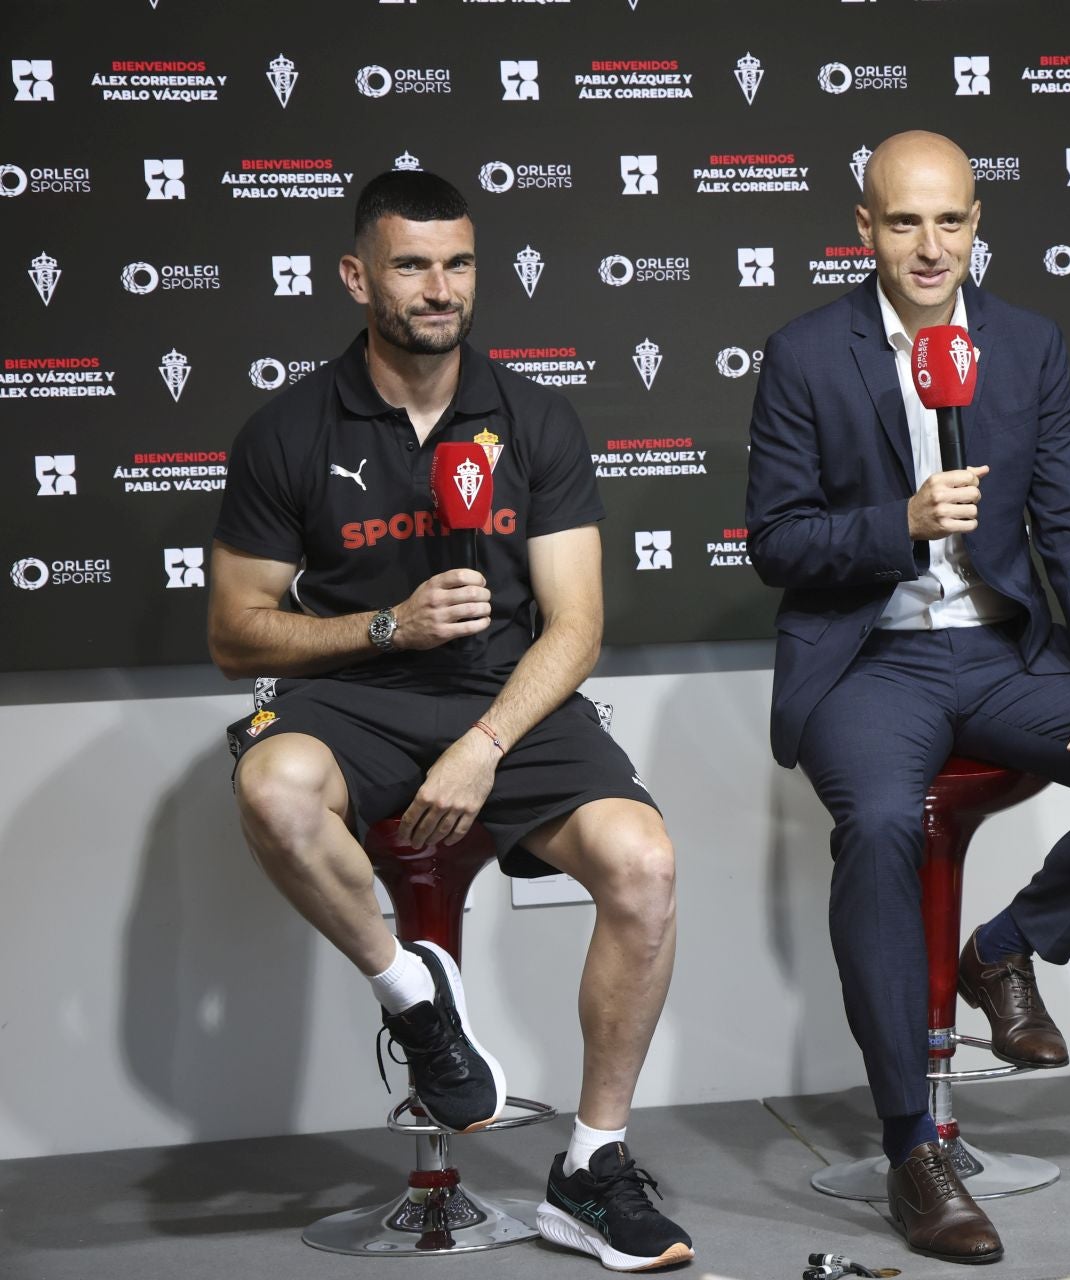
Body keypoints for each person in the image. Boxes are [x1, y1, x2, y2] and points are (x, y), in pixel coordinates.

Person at [208, 170, 693, 1271]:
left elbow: (576, 624)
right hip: (357, 697)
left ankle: (594, 1167)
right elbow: (237, 633)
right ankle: (412, 994)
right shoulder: (289, 427)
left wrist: (484, 743)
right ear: (356, 275)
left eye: (458, 263)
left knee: (645, 863)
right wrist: (387, 624)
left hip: (507, 698)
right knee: (269, 786)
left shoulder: (536, 418)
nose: (440, 288)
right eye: (412, 263)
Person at [746, 131, 1070, 1261]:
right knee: (878, 825)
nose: (929, 245)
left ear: (977, 222)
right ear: (863, 228)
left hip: (1003, 653)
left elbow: (1068, 518)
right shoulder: (807, 352)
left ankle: (1004, 947)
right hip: (871, 660)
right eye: (903, 221)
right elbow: (776, 541)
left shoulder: (1029, 343)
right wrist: (895, 524)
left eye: (949, 221)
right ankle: (915, 1145)